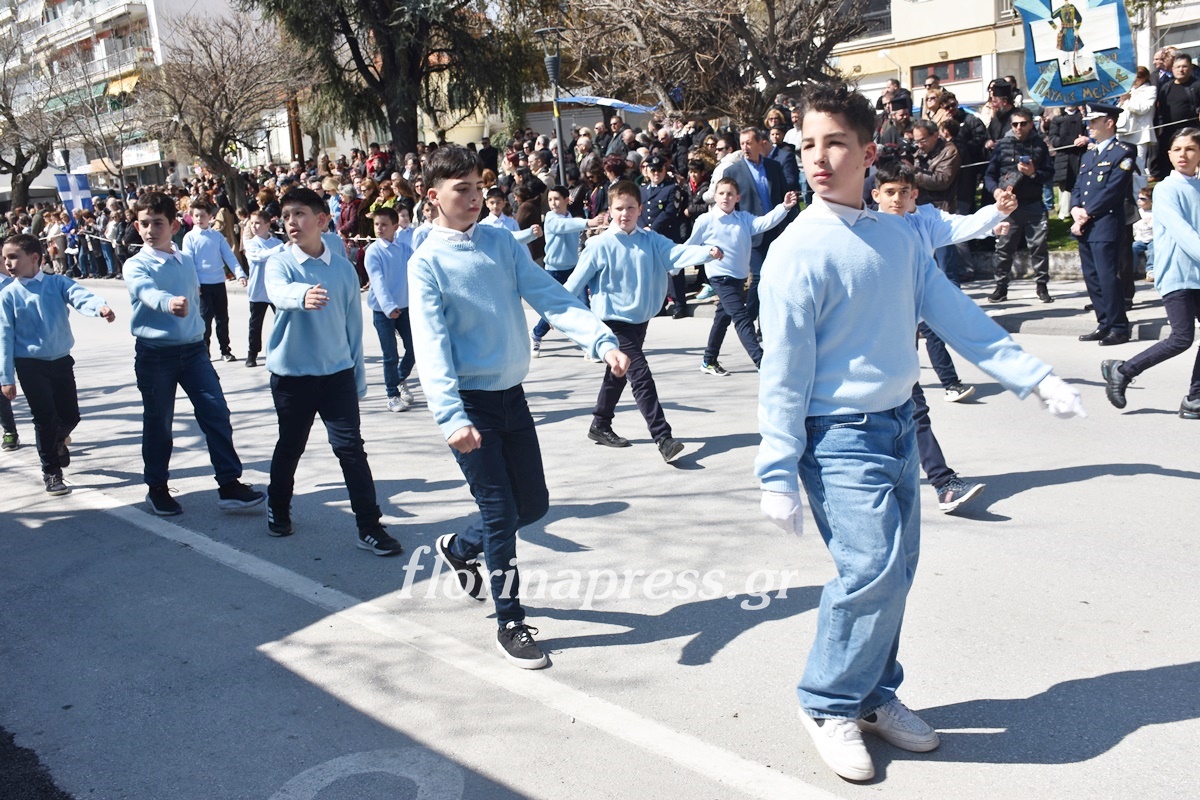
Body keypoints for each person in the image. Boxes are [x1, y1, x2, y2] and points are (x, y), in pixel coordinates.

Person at [756, 84, 1085, 784]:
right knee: (870, 569)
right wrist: (777, 471)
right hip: (838, 437)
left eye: (835, 142)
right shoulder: (795, 251)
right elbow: (784, 371)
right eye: (808, 144)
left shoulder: (899, 236)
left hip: (900, 425)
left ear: (867, 153)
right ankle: (826, 702)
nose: (819, 157)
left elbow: (954, 312)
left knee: (896, 572)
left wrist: (1032, 375)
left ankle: (872, 693)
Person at [408, 146, 628, 669]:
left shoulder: (502, 244)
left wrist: (600, 340)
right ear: (433, 196)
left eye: (478, 188)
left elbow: (552, 297)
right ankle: (511, 621)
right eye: (461, 190)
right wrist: (451, 417)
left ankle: (459, 548)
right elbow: (431, 346)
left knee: (532, 506)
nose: (474, 198)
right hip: (470, 405)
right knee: (500, 513)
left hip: (512, 397)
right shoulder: (426, 263)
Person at [871, 160, 1018, 511]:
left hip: (902, 332)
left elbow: (963, 226)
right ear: (876, 195)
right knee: (883, 408)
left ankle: (941, 481)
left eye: (903, 192)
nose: (897, 199)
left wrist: (997, 211)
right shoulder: (864, 228)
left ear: (913, 194)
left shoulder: (924, 222)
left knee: (909, 406)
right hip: (867, 333)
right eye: (889, 192)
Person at [262, 188, 399, 555]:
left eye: (300, 214)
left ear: (322, 220)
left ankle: (369, 526)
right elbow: (277, 291)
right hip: (292, 377)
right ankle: (277, 504)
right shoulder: (279, 263)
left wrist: (357, 378)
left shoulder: (342, 269)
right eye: (286, 216)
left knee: (351, 449)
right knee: (291, 445)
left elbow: (353, 326)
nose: (291, 222)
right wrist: (301, 296)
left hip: (337, 376)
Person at [123, 192, 266, 516]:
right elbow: (146, 291)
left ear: (174, 226)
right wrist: (167, 302)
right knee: (159, 422)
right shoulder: (136, 264)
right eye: (144, 224)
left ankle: (229, 484)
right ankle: (157, 488)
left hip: (193, 352)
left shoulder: (185, 260)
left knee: (216, 412)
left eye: (158, 223)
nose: (150, 230)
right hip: (155, 354)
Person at [564, 180, 721, 463]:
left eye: (630, 208)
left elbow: (676, 253)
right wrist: (555, 312)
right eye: (619, 208)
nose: (624, 213)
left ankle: (600, 423)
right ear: (610, 211)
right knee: (641, 376)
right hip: (613, 322)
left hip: (640, 320)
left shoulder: (651, 240)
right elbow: (575, 282)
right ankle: (663, 437)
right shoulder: (599, 245)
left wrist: (706, 252)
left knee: (618, 372)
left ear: (639, 209)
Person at [0, 234, 115, 495]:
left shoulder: (57, 283)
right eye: (5, 258)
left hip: (61, 361)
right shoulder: (8, 295)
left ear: (35, 258)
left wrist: (100, 307)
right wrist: (6, 378)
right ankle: (52, 473)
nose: (8, 263)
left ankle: (59, 440)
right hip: (30, 365)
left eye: (14, 257)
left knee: (71, 415)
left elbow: (80, 295)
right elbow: (4, 338)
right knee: (44, 419)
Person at [1102, 128, 1200, 418]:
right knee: (1181, 338)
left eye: (1190, 149)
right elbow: (1183, 233)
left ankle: (1195, 399)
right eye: (1177, 149)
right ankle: (1123, 371)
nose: (1183, 155)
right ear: (1168, 154)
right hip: (1178, 275)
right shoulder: (1167, 190)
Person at [684, 177, 795, 374]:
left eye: (730, 194)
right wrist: (674, 266)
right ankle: (762, 362)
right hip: (719, 278)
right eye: (721, 193)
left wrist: (784, 207)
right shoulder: (705, 220)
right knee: (742, 318)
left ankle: (709, 361)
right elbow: (690, 246)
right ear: (715, 196)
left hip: (739, 278)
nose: (725, 197)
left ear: (737, 198)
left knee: (722, 319)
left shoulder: (743, 219)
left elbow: (763, 223)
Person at [1072, 104, 1139, 346]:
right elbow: (1078, 186)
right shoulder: (1088, 155)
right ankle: (1104, 323)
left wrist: (1085, 214)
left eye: (1094, 121)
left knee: (1107, 277)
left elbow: (1113, 190)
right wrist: (1075, 208)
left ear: (1109, 123)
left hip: (1105, 223)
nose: (1089, 126)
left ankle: (1119, 327)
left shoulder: (1123, 152)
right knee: (1092, 277)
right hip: (1086, 225)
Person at [984, 106, 1055, 303]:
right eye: (1014, 124)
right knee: (1004, 248)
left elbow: (1049, 174)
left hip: (1033, 204)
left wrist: (1033, 173)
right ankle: (1001, 287)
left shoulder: (1039, 145)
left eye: (1023, 124)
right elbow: (989, 175)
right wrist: (995, 191)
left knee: (1039, 247)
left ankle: (1042, 286)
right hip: (1008, 206)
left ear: (1031, 124)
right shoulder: (1002, 146)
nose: (1018, 128)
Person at [531, 185, 607, 355]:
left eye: (557, 199)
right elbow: (564, 226)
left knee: (583, 305)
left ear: (567, 200)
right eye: (550, 200)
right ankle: (536, 334)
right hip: (554, 271)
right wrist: (589, 223)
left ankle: (590, 344)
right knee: (553, 308)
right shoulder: (551, 218)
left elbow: (572, 225)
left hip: (573, 270)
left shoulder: (571, 218)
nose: (553, 203)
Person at [364, 206, 417, 412]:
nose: (379, 228)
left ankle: (399, 378)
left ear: (395, 226)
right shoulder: (373, 251)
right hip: (382, 311)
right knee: (390, 355)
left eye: (384, 225)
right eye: (376, 224)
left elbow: (418, 270)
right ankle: (392, 394)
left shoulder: (405, 249)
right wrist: (388, 306)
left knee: (413, 349)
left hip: (405, 308)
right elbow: (377, 281)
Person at [181, 197, 247, 361]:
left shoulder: (217, 236)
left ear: (210, 217)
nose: (199, 219)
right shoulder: (190, 237)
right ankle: (204, 351)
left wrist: (240, 274)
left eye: (203, 215)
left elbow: (229, 256)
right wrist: (195, 283)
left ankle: (225, 350)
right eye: (196, 216)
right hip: (202, 285)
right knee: (205, 319)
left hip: (218, 282)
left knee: (222, 318)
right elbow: (189, 263)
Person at [639, 155, 690, 318]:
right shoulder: (642, 190)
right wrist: (643, 227)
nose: (656, 173)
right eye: (653, 170)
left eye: (659, 169)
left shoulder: (672, 189)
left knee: (674, 272)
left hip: (667, 235)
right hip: (648, 236)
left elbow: (670, 212)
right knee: (654, 271)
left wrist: (652, 228)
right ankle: (659, 305)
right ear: (647, 171)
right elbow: (638, 211)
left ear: (664, 170)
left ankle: (679, 305)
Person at [242, 209, 284, 368]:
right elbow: (259, 256)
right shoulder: (251, 243)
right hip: (258, 290)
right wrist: (282, 249)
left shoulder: (277, 243)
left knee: (282, 321)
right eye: (252, 223)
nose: (254, 226)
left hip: (275, 290)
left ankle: (281, 351)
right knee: (255, 324)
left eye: (258, 223)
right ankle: (252, 353)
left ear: (267, 225)